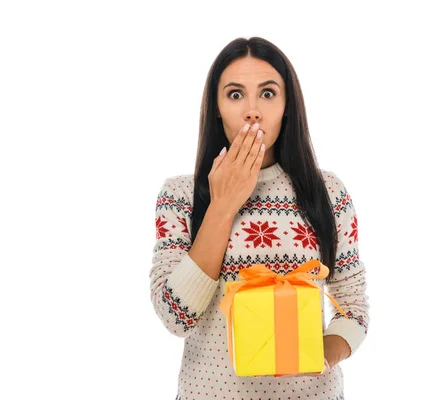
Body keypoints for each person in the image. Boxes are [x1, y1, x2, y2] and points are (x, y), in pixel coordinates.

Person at [149, 37, 369, 400]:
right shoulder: (179, 195)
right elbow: (176, 316)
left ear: (287, 106)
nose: (252, 110)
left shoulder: (329, 192)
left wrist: (320, 357)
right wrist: (223, 204)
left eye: (267, 94)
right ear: (217, 107)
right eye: (235, 95)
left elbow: (354, 307)